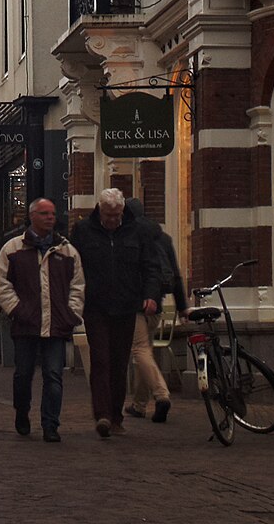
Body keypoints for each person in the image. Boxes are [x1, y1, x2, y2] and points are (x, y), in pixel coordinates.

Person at [70, 187, 163, 438]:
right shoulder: (82, 232)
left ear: (123, 211)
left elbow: (151, 266)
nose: (112, 220)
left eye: (117, 215)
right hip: (95, 306)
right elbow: (73, 267)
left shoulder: (138, 232)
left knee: (120, 363)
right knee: (100, 360)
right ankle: (103, 415)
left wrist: (151, 295)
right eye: (108, 215)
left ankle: (116, 416)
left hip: (126, 305)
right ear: (100, 210)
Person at [0, 197, 85, 442]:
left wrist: (71, 313)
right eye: (44, 213)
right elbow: (2, 284)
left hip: (56, 325)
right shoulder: (13, 249)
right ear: (32, 216)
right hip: (26, 324)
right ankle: (22, 412)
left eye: (52, 213)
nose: (50, 218)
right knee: (23, 375)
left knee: (53, 375)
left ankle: (50, 424)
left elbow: (78, 285)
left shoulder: (66, 251)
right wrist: (17, 310)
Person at [125, 198, 186, 424]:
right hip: (157, 305)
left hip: (137, 304)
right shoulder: (163, 237)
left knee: (139, 351)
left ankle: (162, 396)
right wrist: (182, 307)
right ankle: (140, 405)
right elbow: (176, 275)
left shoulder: (130, 237)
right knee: (145, 352)